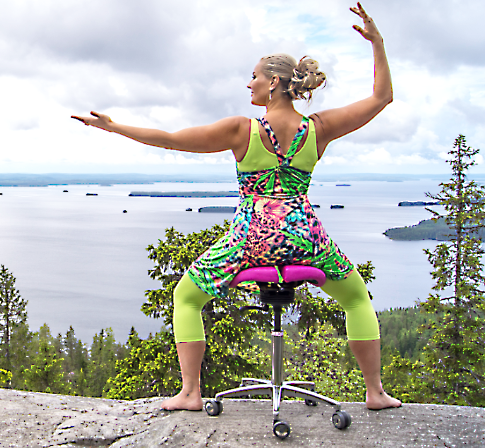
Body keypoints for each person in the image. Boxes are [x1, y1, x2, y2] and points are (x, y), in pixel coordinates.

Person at [72, 3, 402, 411]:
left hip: (252, 239)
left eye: (254, 77)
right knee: (356, 299)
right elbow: (382, 97)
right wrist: (378, 43)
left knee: (187, 297)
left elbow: (171, 139)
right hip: (306, 238)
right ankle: (375, 393)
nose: (249, 85)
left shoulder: (242, 130)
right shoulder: (319, 127)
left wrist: (114, 126)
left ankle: (190, 392)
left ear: (275, 82)